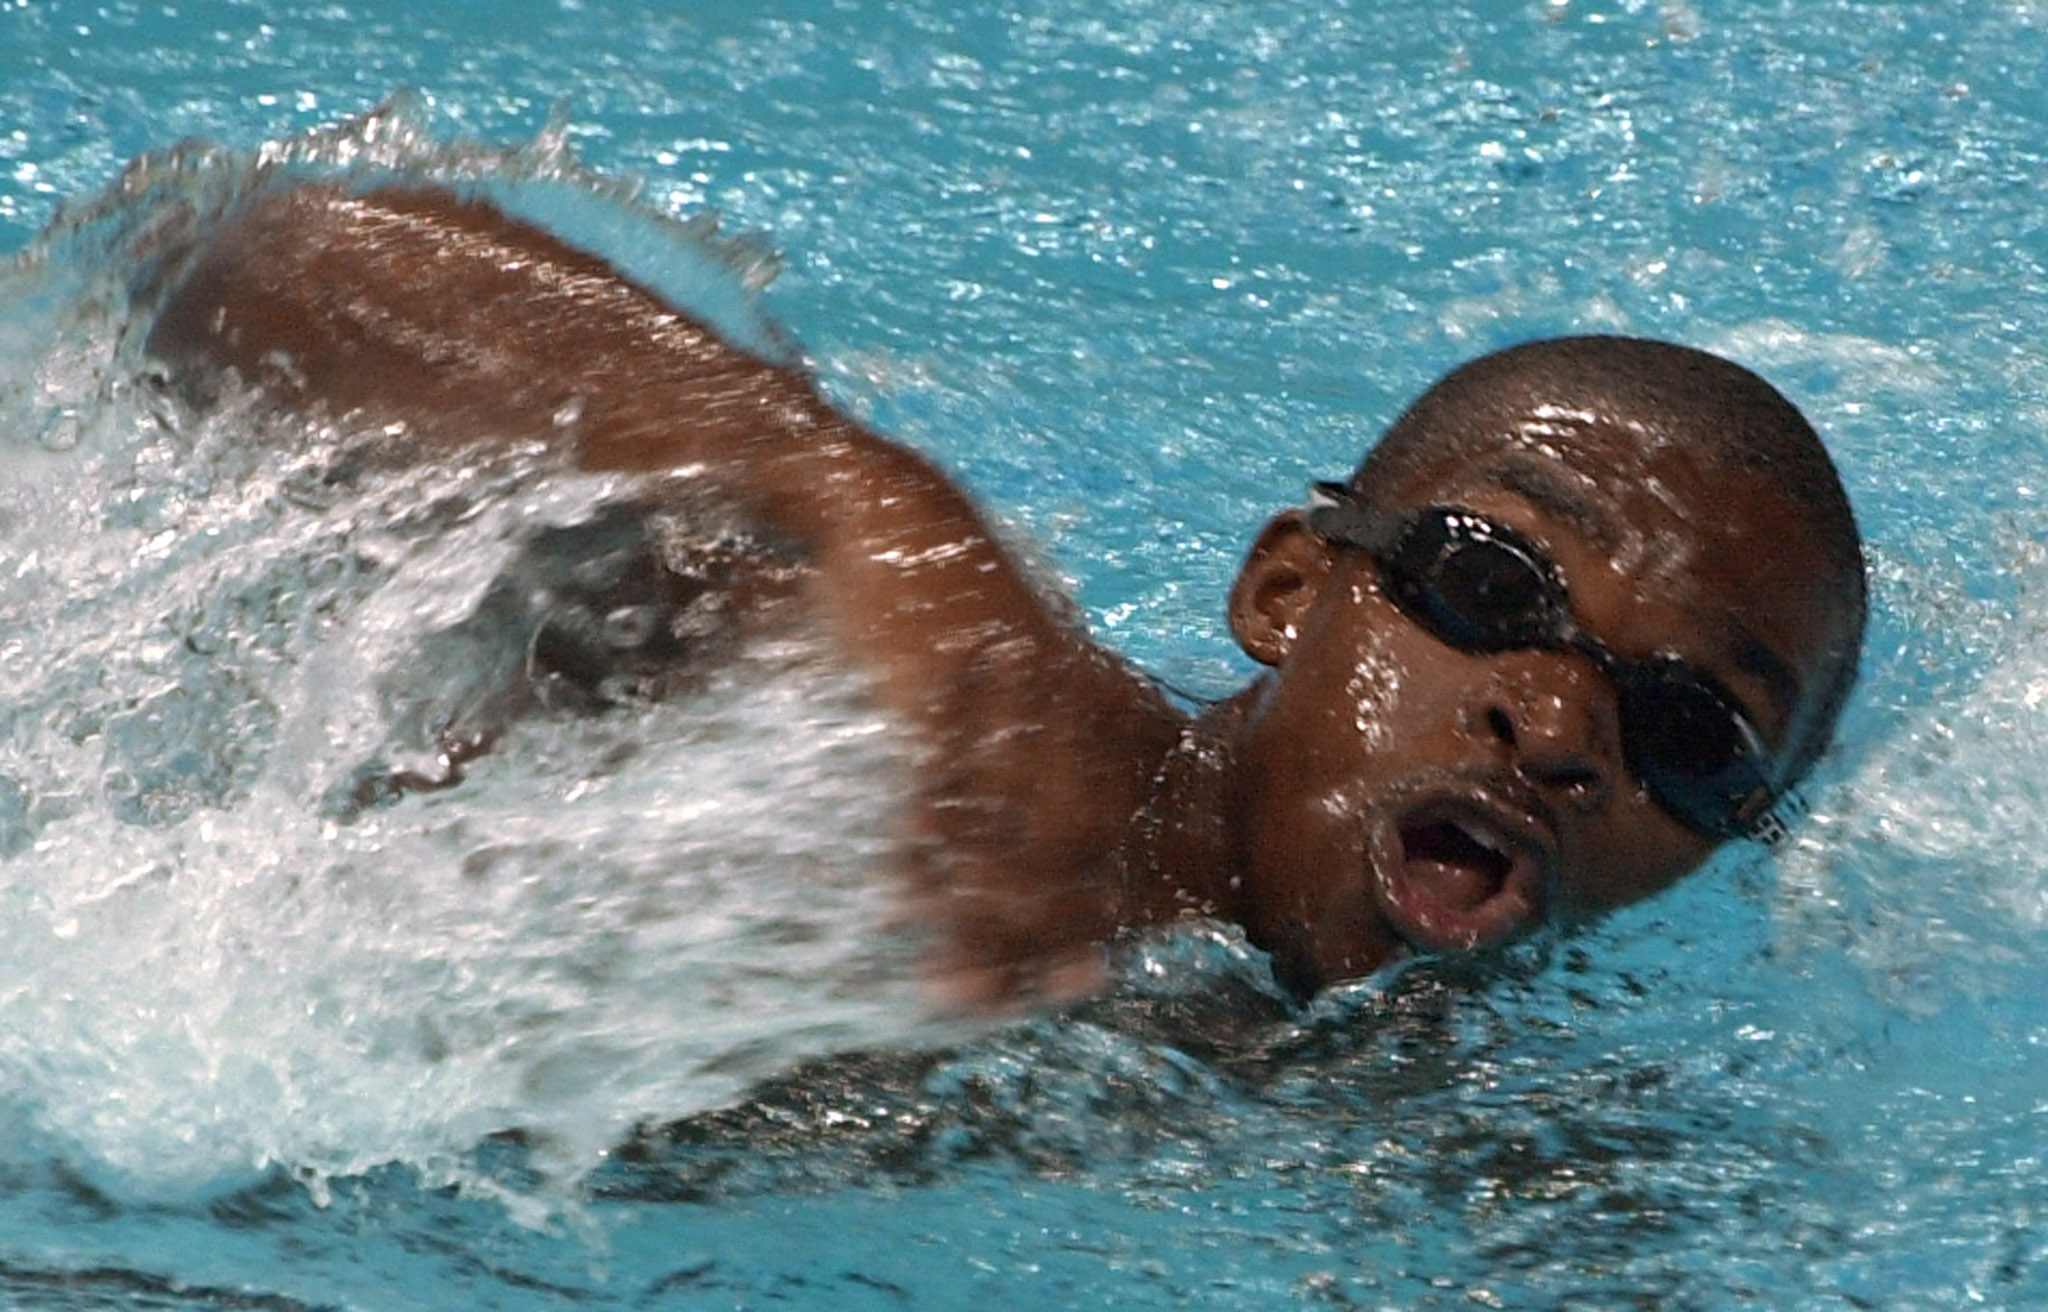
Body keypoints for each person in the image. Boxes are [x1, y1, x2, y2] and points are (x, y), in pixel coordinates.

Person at [141, 182, 1868, 1007]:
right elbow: (235, 263)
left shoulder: (1495, 1184)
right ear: (1287, 591)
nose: (1559, 722)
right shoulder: (864, 700)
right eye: (1492, 583)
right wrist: (863, 512)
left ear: (1729, 838)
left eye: (1689, 729)